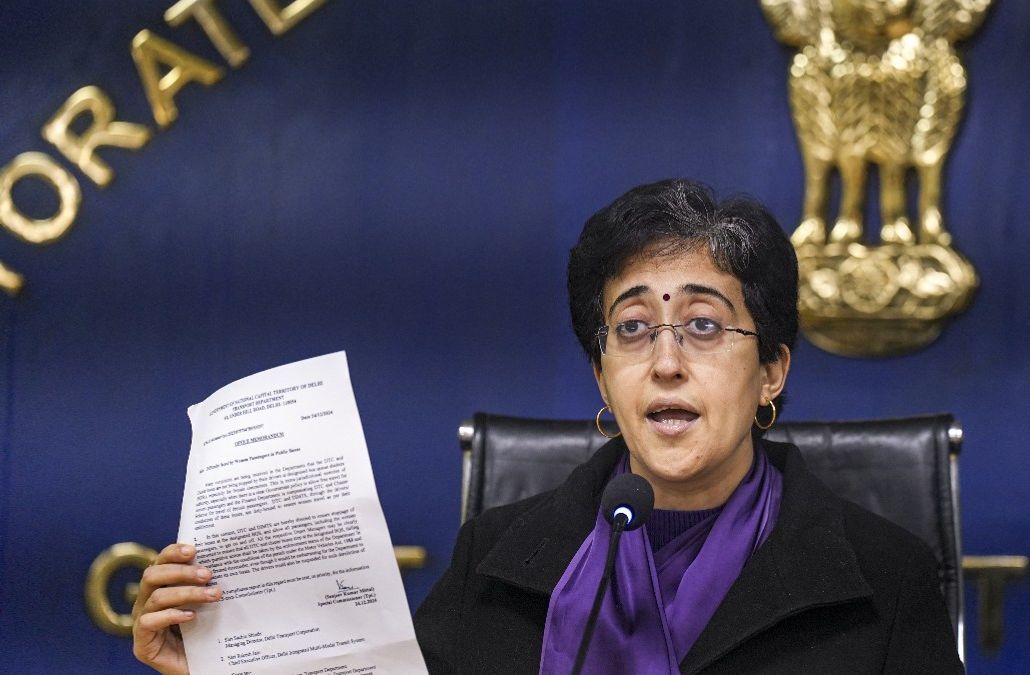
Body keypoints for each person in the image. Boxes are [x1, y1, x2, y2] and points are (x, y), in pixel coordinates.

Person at [131, 179, 962, 674]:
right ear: (602, 374)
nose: (666, 361)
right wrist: (215, 662)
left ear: (772, 369)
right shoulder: (498, 562)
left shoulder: (883, 579)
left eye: (705, 326)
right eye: (631, 329)